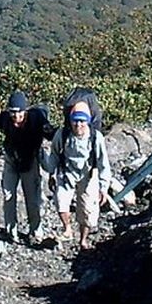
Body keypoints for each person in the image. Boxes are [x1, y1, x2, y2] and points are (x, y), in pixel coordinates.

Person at [0, 90, 54, 243]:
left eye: (19, 112)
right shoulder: (5, 119)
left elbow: (51, 133)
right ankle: (12, 231)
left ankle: (35, 230)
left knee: (32, 199)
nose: (16, 116)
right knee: (8, 196)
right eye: (13, 112)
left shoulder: (37, 120)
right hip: (11, 159)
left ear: (26, 110)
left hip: (30, 161)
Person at [43, 98, 115, 250]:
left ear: (87, 122)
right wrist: (51, 173)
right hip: (67, 171)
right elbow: (55, 154)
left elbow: (103, 163)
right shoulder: (62, 134)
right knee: (60, 201)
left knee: (87, 210)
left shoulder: (96, 138)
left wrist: (103, 187)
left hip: (88, 175)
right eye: (75, 121)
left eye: (82, 121)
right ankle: (67, 229)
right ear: (71, 121)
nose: (78, 125)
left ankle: (83, 240)